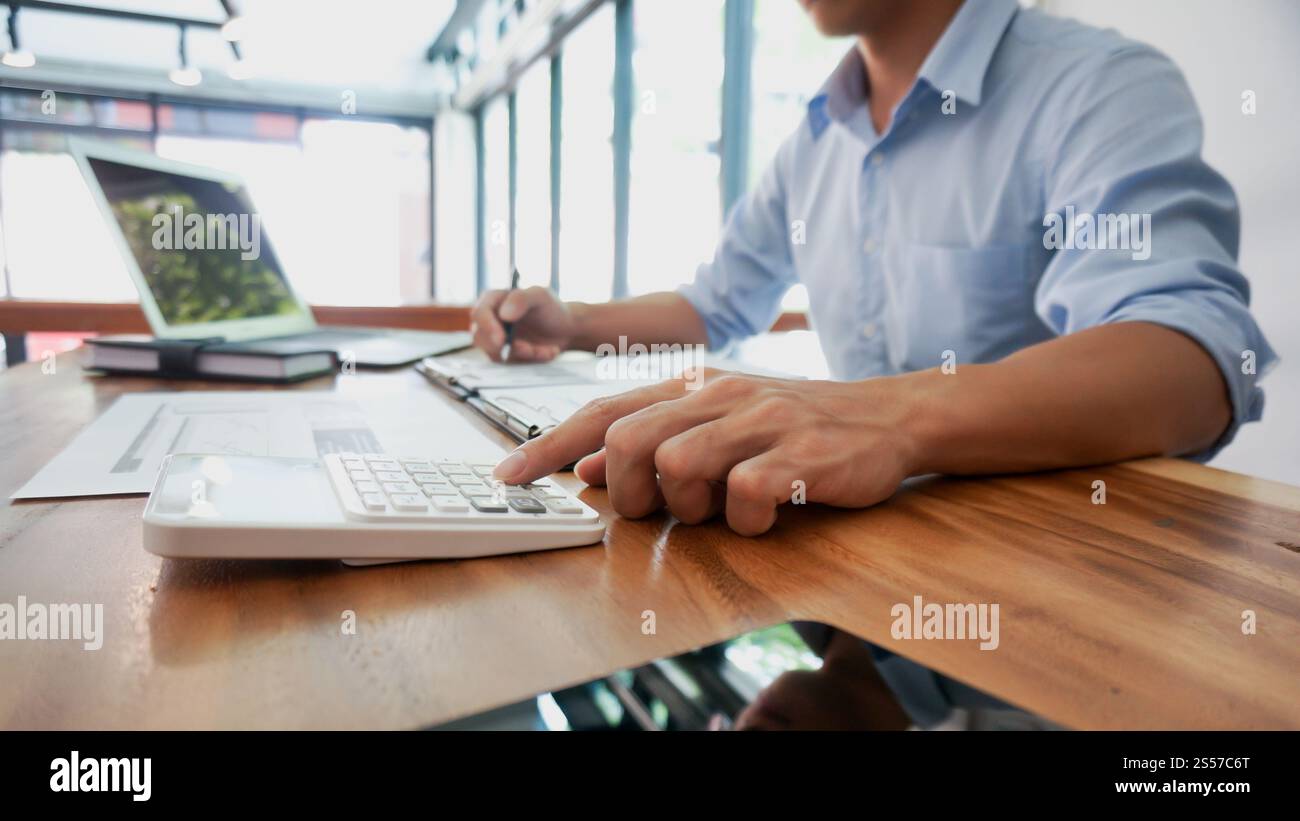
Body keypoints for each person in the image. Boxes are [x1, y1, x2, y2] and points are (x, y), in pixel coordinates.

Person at [470, 0, 1276, 728]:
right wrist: (573, 322)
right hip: (866, 596)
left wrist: (882, 414)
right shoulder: (815, 137)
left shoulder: (1094, 84)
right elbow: (716, 302)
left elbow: (1192, 359)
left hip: (1061, 635)